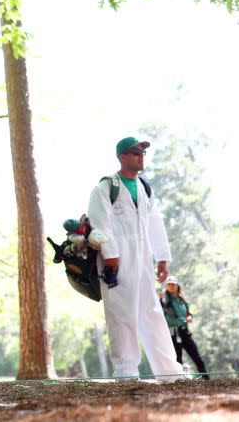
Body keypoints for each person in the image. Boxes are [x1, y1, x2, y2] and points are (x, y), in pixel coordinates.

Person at [87, 137, 183, 379]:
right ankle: (126, 371)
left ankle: (169, 371)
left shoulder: (145, 188)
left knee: (151, 311)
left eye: (142, 152)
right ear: (122, 156)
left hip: (143, 257)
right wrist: (110, 255)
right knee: (121, 312)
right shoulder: (107, 186)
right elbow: (99, 222)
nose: (141, 156)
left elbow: (155, 222)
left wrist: (162, 257)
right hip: (117, 258)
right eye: (135, 152)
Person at [160, 277, 208, 379]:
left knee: (197, 356)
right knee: (178, 359)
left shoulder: (182, 300)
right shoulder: (164, 301)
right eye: (169, 284)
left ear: (178, 286)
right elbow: (168, 319)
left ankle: (206, 379)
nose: (171, 286)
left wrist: (190, 316)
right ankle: (179, 381)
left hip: (185, 332)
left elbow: (188, 313)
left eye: (173, 284)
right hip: (174, 333)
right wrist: (185, 320)